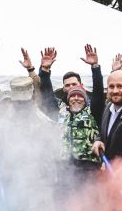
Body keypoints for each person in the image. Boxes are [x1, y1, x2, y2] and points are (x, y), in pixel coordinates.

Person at [38, 45, 105, 176]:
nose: (75, 98)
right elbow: (47, 95)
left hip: (89, 169)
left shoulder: (93, 110)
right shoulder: (61, 111)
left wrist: (95, 68)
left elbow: (98, 93)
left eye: (79, 95)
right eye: (72, 95)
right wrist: (44, 71)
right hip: (64, 169)